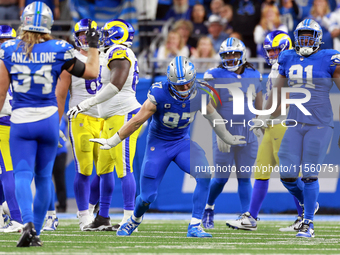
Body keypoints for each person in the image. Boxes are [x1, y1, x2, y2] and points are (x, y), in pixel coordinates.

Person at [90, 56, 246, 237]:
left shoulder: (201, 93)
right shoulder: (159, 93)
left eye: (188, 83)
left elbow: (214, 117)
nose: (185, 88)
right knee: (148, 197)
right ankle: (134, 219)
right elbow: (136, 121)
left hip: (182, 143)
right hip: (158, 145)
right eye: (180, 85)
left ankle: (195, 225)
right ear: (171, 82)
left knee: (204, 174)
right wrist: (113, 140)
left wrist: (227, 137)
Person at [0, 1, 99, 247]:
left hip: (20, 121)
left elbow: (1, 94)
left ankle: (28, 223)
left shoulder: (9, 49)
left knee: (22, 174)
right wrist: (95, 46)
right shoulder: (60, 48)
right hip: (48, 120)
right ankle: (37, 233)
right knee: (44, 178)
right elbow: (92, 72)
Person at [263, 18, 340, 238]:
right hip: (295, 123)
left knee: (309, 174)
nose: (305, 40)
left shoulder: (328, 58)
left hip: (319, 124)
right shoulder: (287, 57)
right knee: (286, 175)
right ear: (296, 38)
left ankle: (308, 224)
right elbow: (277, 92)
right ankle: (309, 204)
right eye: (302, 36)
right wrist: (265, 115)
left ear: (318, 38)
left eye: (310, 36)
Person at [225, 31, 305, 231]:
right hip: (272, 125)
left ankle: (307, 210)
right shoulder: (276, 68)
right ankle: (251, 218)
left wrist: (266, 116)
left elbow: (287, 99)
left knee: (290, 175)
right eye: (270, 50)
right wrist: (261, 117)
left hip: (284, 124)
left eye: (276, 49)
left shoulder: (289, 67)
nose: (272, 53)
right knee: (261, 172)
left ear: (286, 47)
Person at [67, 19, 142, 231]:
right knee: (104, 168)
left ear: (116, 34)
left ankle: (130, 219)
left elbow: (115, 85)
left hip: (123, 114)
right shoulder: (109, 53)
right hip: (112, 116)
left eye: (105, 33)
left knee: (124, 167)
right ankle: (102, 217)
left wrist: (86, 103)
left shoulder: (119, 51)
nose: (101, 37)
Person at [201, 38, 263, 229]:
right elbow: (205, 106)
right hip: (224, 133)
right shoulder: (213, 75)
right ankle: (208, 208)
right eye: (226, 54)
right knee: (220, 179)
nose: (230, 57)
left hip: (248, 133)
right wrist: (220, 131)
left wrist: (261, 122)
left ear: (242, 54)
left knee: (245, 177)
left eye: (234, 54)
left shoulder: (254, 74)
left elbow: (259, 104)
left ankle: (248, 217)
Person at [56, 18, 104, 231]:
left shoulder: (108, 56)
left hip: (105, 119)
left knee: (106, 170)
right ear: (76, 37)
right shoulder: (70, 59)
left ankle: (93, 207)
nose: (87, 38)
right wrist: (56, 125)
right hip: (81, 118)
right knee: (84, 169)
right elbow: (60, 95)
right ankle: (83, 214)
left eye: (90, 34)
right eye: (83, 34)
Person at [0, 25, 23, 233]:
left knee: (7, 171)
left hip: (4, 123)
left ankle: (16, 217)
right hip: (21, 122)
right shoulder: (23, 63)